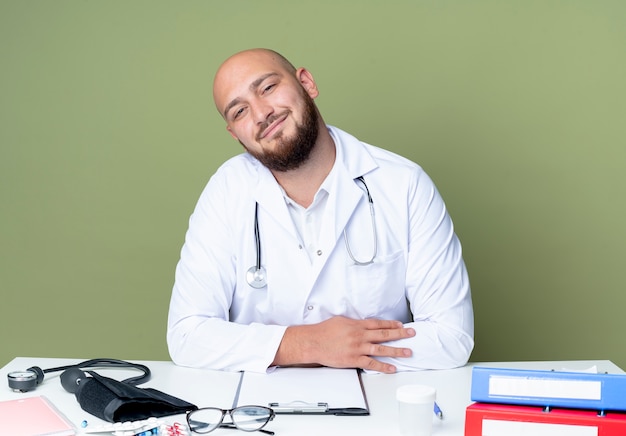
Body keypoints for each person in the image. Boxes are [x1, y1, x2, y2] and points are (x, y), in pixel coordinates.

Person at [167, 48, 474, 374]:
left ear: (306, 83)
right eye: (239, 111)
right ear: (234, 133)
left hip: (376, 406)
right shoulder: (226, 192)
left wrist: (347, 350)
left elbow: (452, 336)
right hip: (260, 410)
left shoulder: (404, 184)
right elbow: (187, 334)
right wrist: (306, 344)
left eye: (268, 88)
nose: (261, 114)